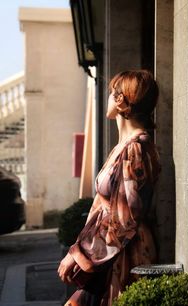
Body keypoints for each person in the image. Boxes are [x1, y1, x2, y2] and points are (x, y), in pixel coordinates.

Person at [58, 69, 161, 306]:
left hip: (123, 257)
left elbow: (123, 221)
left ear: (120, 99)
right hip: (109, 254)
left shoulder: (135, 148)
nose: (107, 98)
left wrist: (79, 255)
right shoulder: (124, 147)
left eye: (111, 92)